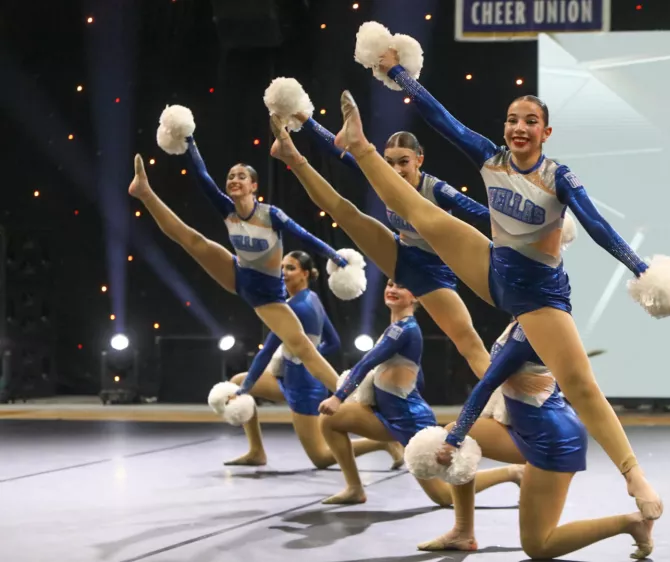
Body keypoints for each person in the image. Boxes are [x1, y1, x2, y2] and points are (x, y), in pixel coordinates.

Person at [315, 26, 670, 520]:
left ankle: (633, 474)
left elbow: (596, 225)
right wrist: (395, 70)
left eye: (530, 121)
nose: (519, 127)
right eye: (513, 119)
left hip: (539, 295)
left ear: (545, 132)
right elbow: (440, 117)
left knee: (579, 384)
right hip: (493, 270)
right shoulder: (490, 157)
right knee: (427, 216)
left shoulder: (558, 176)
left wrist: (642, 268)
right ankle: (360, 148)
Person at [134, 105, 367, 401]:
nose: (233, 180)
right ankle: (144, 192)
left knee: (304, 348)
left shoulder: (272, 215)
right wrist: (189, 140)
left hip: (267, 297)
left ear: (253, 186)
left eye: (241, 176)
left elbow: (304, 236)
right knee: (191, 240)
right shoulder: (227, 209)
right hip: (237, 275)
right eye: (231, 176)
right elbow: (203, 177)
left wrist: (335, 256)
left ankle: (344, 395)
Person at [260, 87, 493, 380]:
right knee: (344, 212)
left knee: (467, 342)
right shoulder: (383, 178)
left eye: (403, 162)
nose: (395, 170)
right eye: (389, 162)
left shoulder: (435, 189)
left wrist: (520, 227)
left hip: (434, 272)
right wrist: (303, 118)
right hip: (401, 253)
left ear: (419, 159)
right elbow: (341, 150)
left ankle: (507, 403)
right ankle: (291, 156)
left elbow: (477, 213)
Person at [406, 320, 654, 559]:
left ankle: (630, 523)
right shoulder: (520, 323)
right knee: (458, 432)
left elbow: (487, 384)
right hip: (525, 431)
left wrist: (454, 439)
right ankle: (463, 532)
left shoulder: (528, 332)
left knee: (538, 546)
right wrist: (459, 433)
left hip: (554, 441)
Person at [316, 279, 522, 505]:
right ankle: (355, 488)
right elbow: (418, 377)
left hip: (410, 422)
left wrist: (338, 396)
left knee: (443, 496)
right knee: (331, 421)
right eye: (390, 284)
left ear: (415, 297)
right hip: (385, 415)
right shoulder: (395, 328)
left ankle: (512, 473)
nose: (393, 290)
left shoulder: (404, 330)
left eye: (401, 286)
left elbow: (366, 363)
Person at [224, 250, 402, 469]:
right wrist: (307, 359)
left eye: (291, 268)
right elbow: (333, 342)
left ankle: (382, 443)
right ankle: (256, 451)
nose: (284, 273)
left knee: (321, 457)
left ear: (305, 274)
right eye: (282, 268)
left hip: (303, 388)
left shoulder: (294, 307)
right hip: (289, 378)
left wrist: (303, 363)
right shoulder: (312, 299)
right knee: (236, 382)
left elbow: (266, 351)